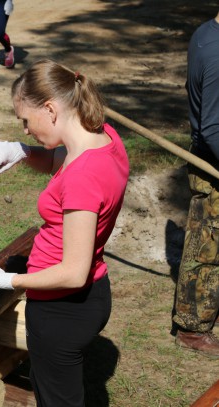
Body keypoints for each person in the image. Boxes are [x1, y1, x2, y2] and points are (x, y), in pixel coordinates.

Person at [0, 59, 129, 406]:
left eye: (25, 121)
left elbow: (73, 273)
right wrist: (21, 153)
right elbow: (58, 161)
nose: (25, 130)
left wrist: (8, 280)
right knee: (52, 386)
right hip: (91, 293)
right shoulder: (104, 139)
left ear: (49, 109)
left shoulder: (83, 176)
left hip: (60, 310)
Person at [172, 11, 219, 359]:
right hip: (212, 165)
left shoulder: (206, 31)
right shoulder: (216, 52)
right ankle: (192, 327)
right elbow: (212, 128)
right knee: (206, 247)